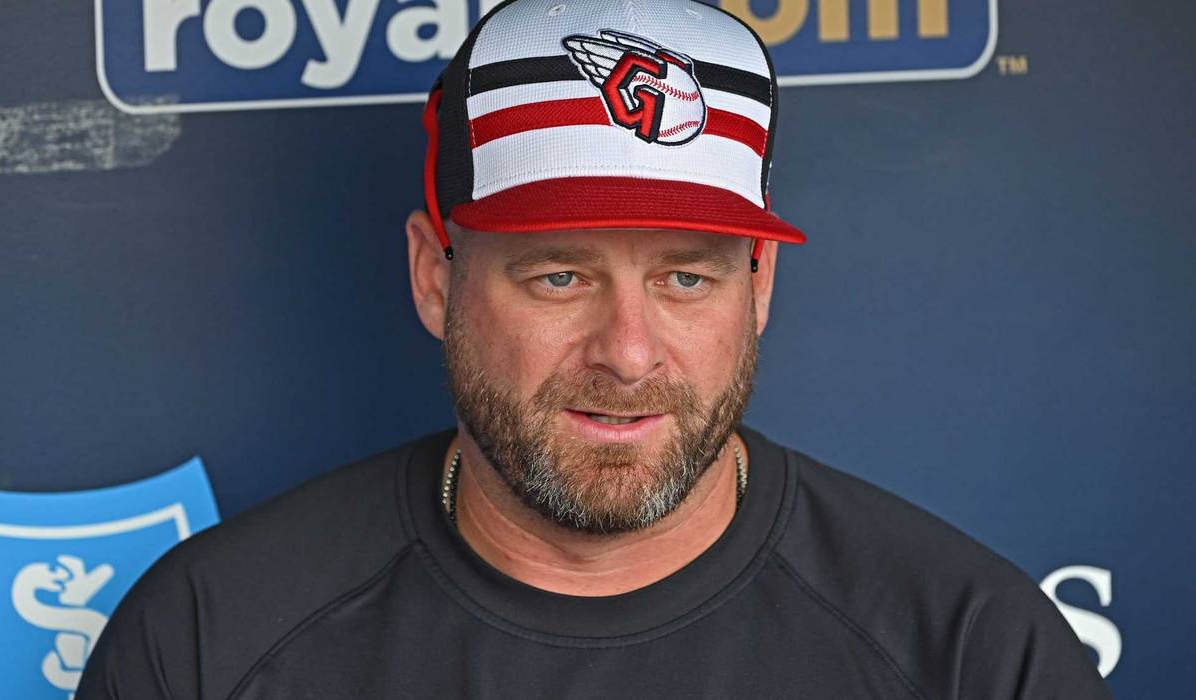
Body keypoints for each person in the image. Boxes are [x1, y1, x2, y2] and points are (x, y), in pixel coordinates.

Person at [79, 0, 1112, 697]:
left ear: (761, 287)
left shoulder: (973, 651)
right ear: (436, 274)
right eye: (559, 274)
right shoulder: (211, 642)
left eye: (686, 276)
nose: (627, 350)